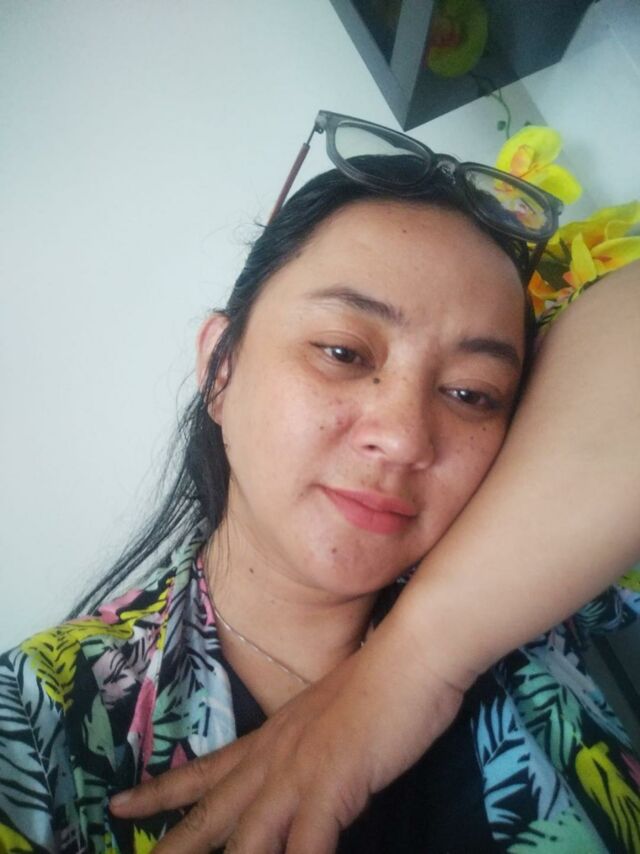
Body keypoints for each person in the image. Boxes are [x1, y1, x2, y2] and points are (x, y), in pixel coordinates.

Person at [1, 112, 639, 853]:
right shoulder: (45, 721)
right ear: (219, 368)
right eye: (342, 351)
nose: (403, 438)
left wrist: (417, 663)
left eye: (471, 393)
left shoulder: (536, 584)